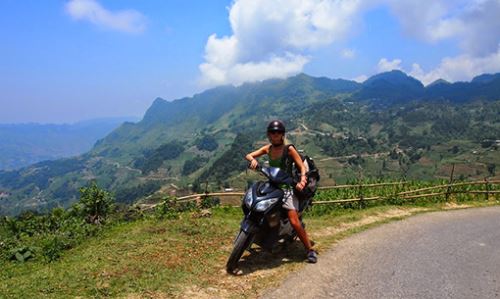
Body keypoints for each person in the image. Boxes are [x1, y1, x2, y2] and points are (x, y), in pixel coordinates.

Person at [245, 120, 318, 263]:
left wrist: (303, 178)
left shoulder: (289, 149)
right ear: (268, 134)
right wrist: (252, 160)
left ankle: (310, 250)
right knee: (257, 206)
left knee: (294, 221)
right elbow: (249, 155)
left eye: (278, 132)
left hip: (287, 189)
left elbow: (301, 167)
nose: (275, 135)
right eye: (272, 132)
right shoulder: (268, 149)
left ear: (282, 135)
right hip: (273, 186)